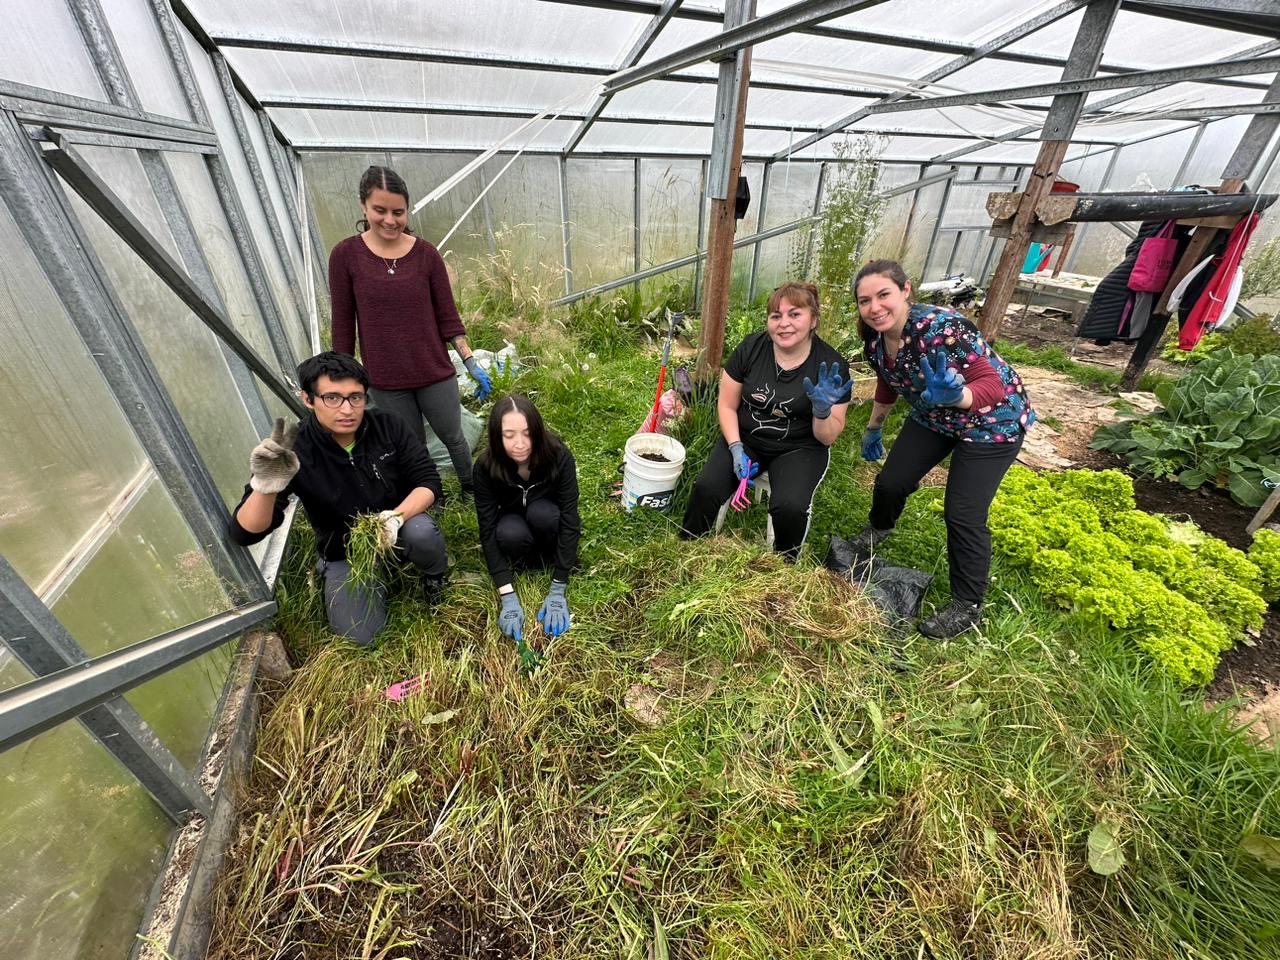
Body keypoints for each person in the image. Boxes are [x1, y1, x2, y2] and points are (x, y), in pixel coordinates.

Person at [850, 259, 1035, 639]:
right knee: (891, 481)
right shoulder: (873, 338)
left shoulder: (942, 327)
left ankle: (967, 606)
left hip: (991, 422)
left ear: (906, 290)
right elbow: (889, 381)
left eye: (883, 295)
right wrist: (874, 427)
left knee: (963, 513)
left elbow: (991, 385)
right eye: (864, 300)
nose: (874, 307)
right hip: (935, 416)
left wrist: (958, 395)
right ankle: (878, 529)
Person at [228, 352, 448, 647]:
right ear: (308, 399)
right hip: (344, 549)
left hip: (397, 528)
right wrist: (265, 487)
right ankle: (338, 572)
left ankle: (435, 578)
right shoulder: (296, 449)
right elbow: (244, 533)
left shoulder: (387, 425)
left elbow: (428, 482)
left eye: (356, 397)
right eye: (333, 398)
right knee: (359, 637)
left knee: (422, 533)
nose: (348, 409)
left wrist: (395, 518)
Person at [329, 165, 492, 498]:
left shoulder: (426, 255)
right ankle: (433, 495)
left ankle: (469, 488)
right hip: (386, 379)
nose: (390, 220)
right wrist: (343, 377)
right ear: (364, 206)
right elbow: (343, 323)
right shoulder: (346, 256)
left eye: (398, 212)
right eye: (380, 210)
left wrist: (470, 360)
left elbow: (448, 318)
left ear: (407, 210)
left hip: (434, 372)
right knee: (411, 444)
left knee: (453, 436)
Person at [681, 280, 851, 560]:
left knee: (790, 507)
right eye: (776, 316)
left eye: (795, 314)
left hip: (800, 447)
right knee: (707, 487)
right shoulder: (752, 349)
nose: (784, 323)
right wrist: (735, 447)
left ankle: (783, 568)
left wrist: (822, 411)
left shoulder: (830, 366)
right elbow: (726, 405)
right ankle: (687, 547)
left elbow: (827, 437)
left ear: (813, 320)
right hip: (746, 438)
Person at [473, 394, 581, 646]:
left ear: (538, 431)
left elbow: (570, 518)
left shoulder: (559, 456)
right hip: (513, 523)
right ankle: (528, 559)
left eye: (527, 433)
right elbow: (487, 530)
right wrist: (506, 594)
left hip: (547, 519)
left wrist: (558, 586)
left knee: (542, 513)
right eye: (509, 435)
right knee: (508, 533)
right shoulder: (484, 468)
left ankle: (550, 556)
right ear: (496, 437)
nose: (520, 444)